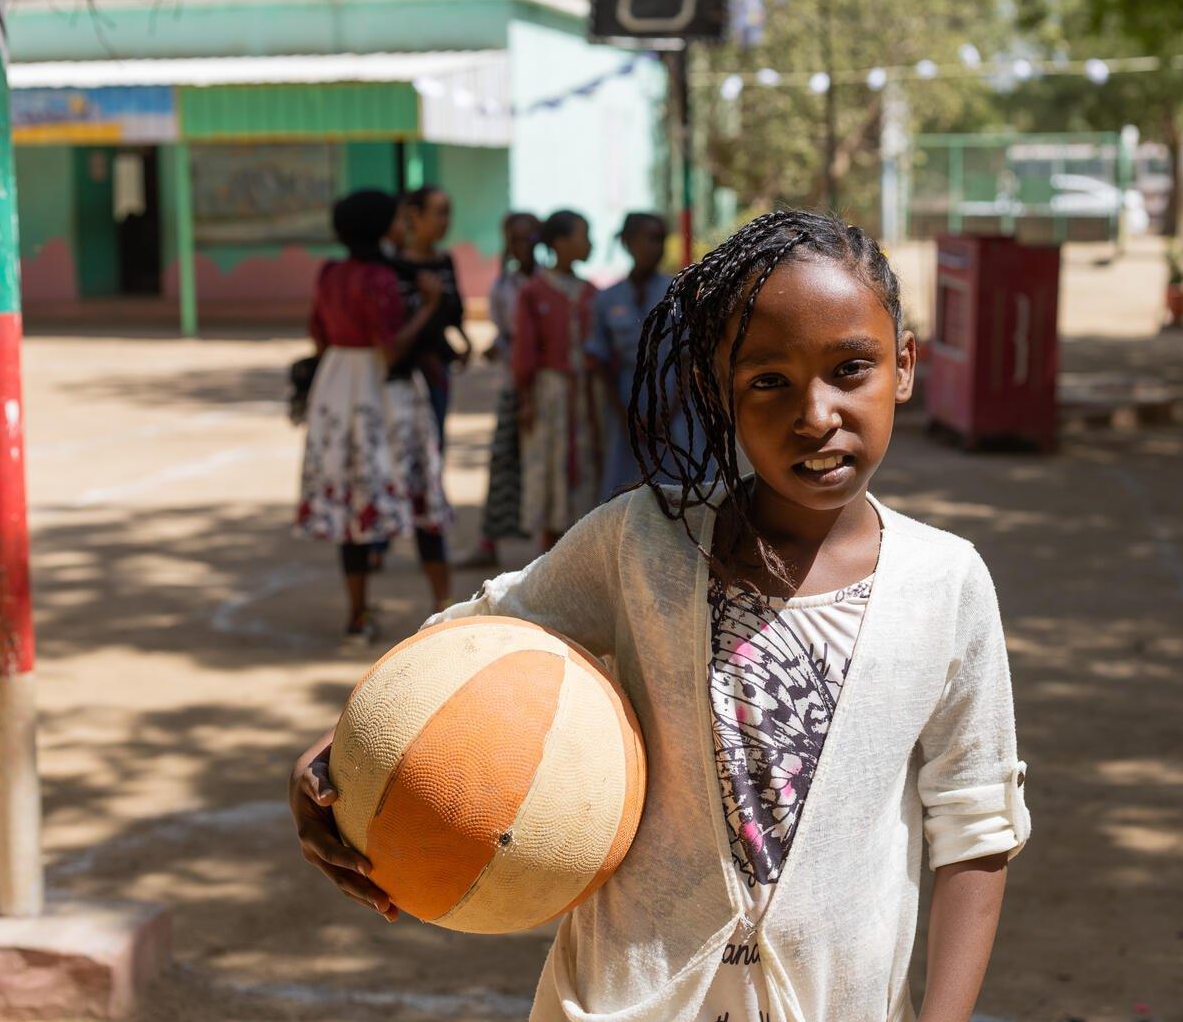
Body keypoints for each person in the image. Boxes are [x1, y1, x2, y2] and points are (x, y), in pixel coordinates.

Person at [289, 209, 1032, 1018]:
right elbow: (473, 641)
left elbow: (977, 826)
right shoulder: (642, 541)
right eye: (768, 381)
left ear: (904, 365)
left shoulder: (946, 582)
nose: (815, 414)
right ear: (720, 391)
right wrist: (353, 748)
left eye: (850, 368)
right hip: (623, 1000)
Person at [295, 189, 453, 644]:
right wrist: (427, 306)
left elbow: (320, 336)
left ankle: (358, 615)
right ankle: (442, 605)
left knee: (353, 498)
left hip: (338, 384)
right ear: (383, 227)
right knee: (419, 489)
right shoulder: (381, 278)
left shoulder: (330, 274)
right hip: (383, 392)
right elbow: (390, 347)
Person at [513, 209, 602, 550]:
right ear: (561, 243)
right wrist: (526, 400)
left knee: (585, 467)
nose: (589, 243)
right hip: (550, 394)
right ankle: (548, 556)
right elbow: (524, 353)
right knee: (550, 470)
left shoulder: (590, 291)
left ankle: (581, 553)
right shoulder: (535, 292)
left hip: (585, 396)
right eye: (583, 235)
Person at [457, 211, 539, 568]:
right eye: (515, 239)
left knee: (545, 466)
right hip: (512, 386)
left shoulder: (546, 285)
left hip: (545, 389)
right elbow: (508, 333)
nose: (521, 246)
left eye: (528, 238)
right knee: (503, 460)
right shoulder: (504, 286)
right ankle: (489, 543)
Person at [586, 211, 672, 496]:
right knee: (622, 486)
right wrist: (623, 414)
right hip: (625, 401)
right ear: (628, 243)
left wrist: (666, 412)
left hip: (674, 405)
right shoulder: (607, 298)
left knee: (676, 482)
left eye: (661, 239)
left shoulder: (679, 292)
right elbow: (598, 360)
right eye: (649, 239)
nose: (656, 247)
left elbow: (689, 360)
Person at [393, 185, 472, 448]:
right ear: (415, 216)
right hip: (405, 367)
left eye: (448, 214)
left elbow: (454, 311)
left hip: (439, 365)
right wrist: (429, 302)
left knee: (435, 438)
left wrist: (464, 341)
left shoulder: (444, 261)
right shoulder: (395, 265)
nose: (444, 222)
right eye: (438, 213)